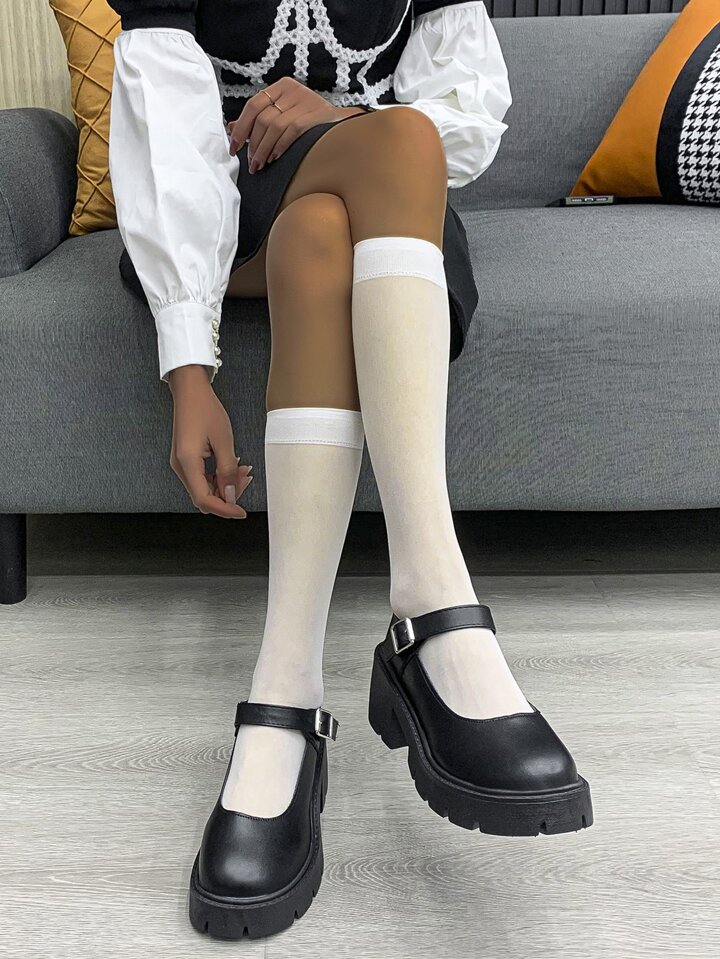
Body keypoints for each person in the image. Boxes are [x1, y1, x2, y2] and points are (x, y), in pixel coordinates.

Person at [108, 0, 593, 940]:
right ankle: (432, 609)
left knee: (325, 232)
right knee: (399, 142)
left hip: (366, 205)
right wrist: (188, 366)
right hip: (229, 205)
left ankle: (285, 692)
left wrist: (342, 120)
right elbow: (167, 132)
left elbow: (469, 112)